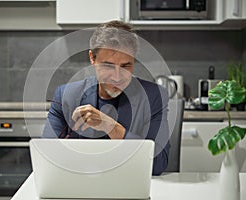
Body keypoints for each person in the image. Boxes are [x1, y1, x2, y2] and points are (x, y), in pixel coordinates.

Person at [43, 20, 170, 175]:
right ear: (92, 58)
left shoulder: (154, 97)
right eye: (108, 65)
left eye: (125, 66)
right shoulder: (66, 96)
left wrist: (112, 127)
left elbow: (158, 164)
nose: (117, 77)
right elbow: (47, 159)